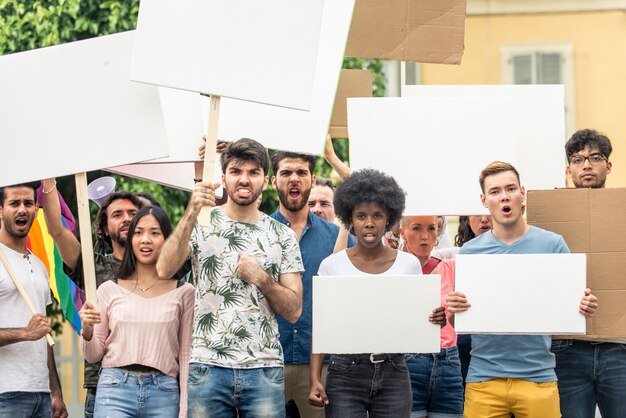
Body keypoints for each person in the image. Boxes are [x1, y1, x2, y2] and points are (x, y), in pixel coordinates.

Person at [157, 137, 304, 417]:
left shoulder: (282, 235)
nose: (244, 179)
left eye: (253, 172)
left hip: (264, 367)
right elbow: (164, 270)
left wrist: (261, 278)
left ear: (266, 179)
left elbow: (294, 310)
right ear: (223, 177)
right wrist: (191, 211)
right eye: (236, 171)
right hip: (208, 366)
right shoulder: (201, 222)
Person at [447, 161, 598, 418]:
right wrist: (454, 311)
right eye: (495, 192)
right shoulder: (470, 252)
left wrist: (584, 306)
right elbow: (459, 320)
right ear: (484, 200)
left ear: (522, 193)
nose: (504, 196)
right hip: (484, 380)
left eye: (510, 189)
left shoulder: (553, 245)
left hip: (537, 378)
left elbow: (572, 306)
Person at [308, 169, 445, 418]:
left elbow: (418, 318)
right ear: (350, 219)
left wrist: (435, 319)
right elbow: (321, 327)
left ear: (389, 219)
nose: (369, 222)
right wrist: (315, 378)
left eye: (377, 215)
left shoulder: (409, 264)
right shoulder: (331, 265)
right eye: (361, 216)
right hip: (345, 373)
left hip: (394, 371)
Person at [41, 179, 144, 417]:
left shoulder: (163, 268)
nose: (127, 218)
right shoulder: (91, 266)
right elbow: (56, 229)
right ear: (105, 228)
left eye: (133, 213)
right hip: (104, 389)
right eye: (117, 214)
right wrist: (49, 183)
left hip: (158, 387)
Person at [79, 206, 194, 417]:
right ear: (131, 240)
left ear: (168, 240)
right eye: (138, 232)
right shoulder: (108, 289)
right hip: (114, 390)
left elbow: (186, 356)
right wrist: (86, 329)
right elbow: (93, 354)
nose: (145, 240)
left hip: (164, 393)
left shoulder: (184, 293)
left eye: (155, 233)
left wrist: (185, 409)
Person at [270, 151, 353, 418]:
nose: (294, 179)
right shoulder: (258, 234)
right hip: (268, 364)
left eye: (301, 173)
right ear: (273, 181)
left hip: (322, 368)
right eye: (286, 173)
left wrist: (331, 156)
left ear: (312, 179)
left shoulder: (336, 237)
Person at [552, 129, 624, 418]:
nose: (587, 165)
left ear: (608, 166)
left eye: (595, 157)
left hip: (619, 347)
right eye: (578, 159)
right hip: (568, 349)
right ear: (568, 168)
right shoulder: (549, 216)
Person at [0, 181, 68, 418]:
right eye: (14, 203)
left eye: (28, 203)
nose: (22, 209)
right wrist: (25, 333)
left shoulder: (40, 265)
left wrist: (55, 390)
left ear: (36, 210)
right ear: (0, 210)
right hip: (5, 393)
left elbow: (43, 334)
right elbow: (32, 332)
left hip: (41, 394)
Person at [400, 215, 463, 418]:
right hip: (407, 362)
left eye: (432, 229)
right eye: (417, 229)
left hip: (448, 360)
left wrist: (452, 317)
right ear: (403, 233)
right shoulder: (392, 270)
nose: (425, 236)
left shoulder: (452, 267)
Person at [453, 214, 493, 383]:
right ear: (467, 221)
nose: (484, 219)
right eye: (476, 215)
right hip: (468, 338)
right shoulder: (460, 253)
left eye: (487, 214)